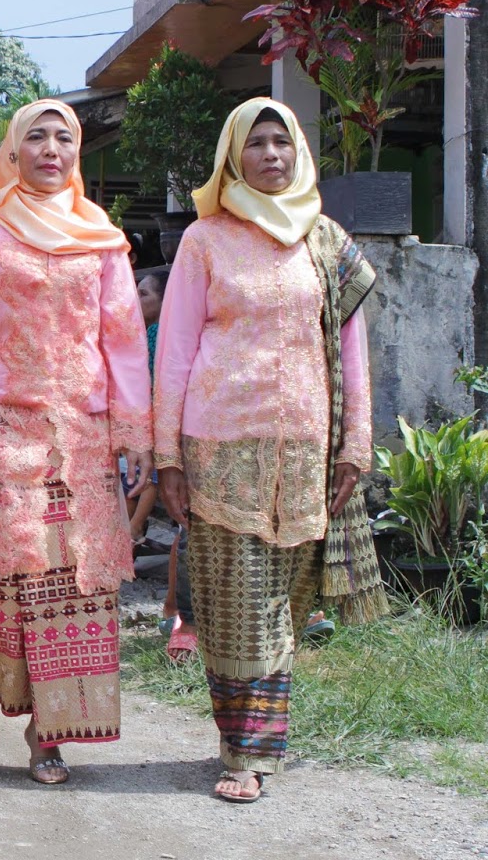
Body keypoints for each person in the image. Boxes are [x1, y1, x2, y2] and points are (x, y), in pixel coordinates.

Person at [154, 98, 385, 804]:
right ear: (233, 158)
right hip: (219, 446)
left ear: (300, 153)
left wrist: (355, 446)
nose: (272, 156)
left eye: (282, 143)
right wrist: (167, 456)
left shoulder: (327, 241)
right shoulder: (206, 240)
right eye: (256, 144)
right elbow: (176, 349)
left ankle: (254, 739)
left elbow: (352, 350)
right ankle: (245, 752)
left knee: (283, 605)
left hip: (306, 452)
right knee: (236, 606)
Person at [0, 98, 153, 785]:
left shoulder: (101, 236)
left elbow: (124, 339)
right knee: (6, 570)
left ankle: (47, 733)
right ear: (13, 150)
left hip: (82, 431)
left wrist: (135, 430)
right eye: (36, 136)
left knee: (71, 580)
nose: (52, 149)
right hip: (3, 420)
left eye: (65, 138)